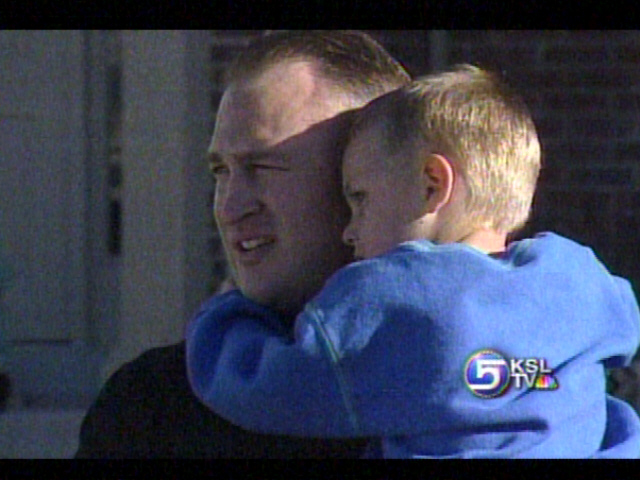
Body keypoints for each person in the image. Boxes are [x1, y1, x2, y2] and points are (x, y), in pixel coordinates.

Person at [186, 65, 640, 458]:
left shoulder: (398, 301)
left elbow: (269, 388)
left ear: (431, 185)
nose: (350, 229)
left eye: (360, 199)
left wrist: (224, 318)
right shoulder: (575, 278)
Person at [74, 31, 411, 458]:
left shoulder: (473, 387)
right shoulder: (153, 408)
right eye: (221, 171)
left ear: (364, 180)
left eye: (264, 166)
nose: (230, 207)